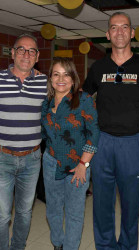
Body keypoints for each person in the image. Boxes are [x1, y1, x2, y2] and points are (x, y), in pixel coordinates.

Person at [83, 12, 139, 250]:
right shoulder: (98, 67)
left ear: (132, 32)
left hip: (134, 144)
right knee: (102, 203)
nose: (120, 32)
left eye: (125, 27)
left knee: (131, 205)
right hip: (102, 142)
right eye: (114, 27)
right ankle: (105, 246)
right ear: (108, 34)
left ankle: (127, 246)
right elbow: (83, 99)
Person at [0, 33, 47, 250]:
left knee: (24, 212)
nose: (26, 54)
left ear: (37, 56)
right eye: (21, 49)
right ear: (12, 53)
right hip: (1, 158)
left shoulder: (44, 82)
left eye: (31, 51)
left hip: (31, 158)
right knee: (1, 215)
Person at [41, 57, 99, 250]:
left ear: (73, 79)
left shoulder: (84, 100)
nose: (61, 79)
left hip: (77, 165)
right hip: (50, 163)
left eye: (66, 74)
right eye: (56, 74)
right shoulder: (46, 103)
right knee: (53, 210)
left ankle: (71, 247)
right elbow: (43, 133)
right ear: (50, 78)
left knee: (74, 213)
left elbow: (93, 133)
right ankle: (57, 244)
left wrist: (84, 165)